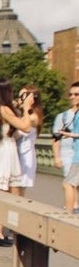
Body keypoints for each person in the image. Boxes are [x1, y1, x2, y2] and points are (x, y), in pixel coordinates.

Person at [0, 78, 31, 246]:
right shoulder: (4, 109)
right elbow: (25, 127)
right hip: (4, 151)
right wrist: (26, 108)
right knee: (9, 193)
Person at [52, 81, 79, 213]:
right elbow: (56, 138)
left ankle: (70, 212)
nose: (72, 97)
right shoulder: (62, 116)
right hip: (69, 154)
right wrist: (57, 157)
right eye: (70, 94)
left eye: (76, 94)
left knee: (69, 183)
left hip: (77, 155)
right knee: (71, 183)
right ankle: (72, 209)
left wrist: (69, 134)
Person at [15, 84, 44, 198]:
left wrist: (26, 107)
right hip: (18, 154)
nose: (19, 99)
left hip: (25, 156)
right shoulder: (24, 114)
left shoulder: (33, 117)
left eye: (22, 96)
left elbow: (16, 133)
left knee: (19, 192)